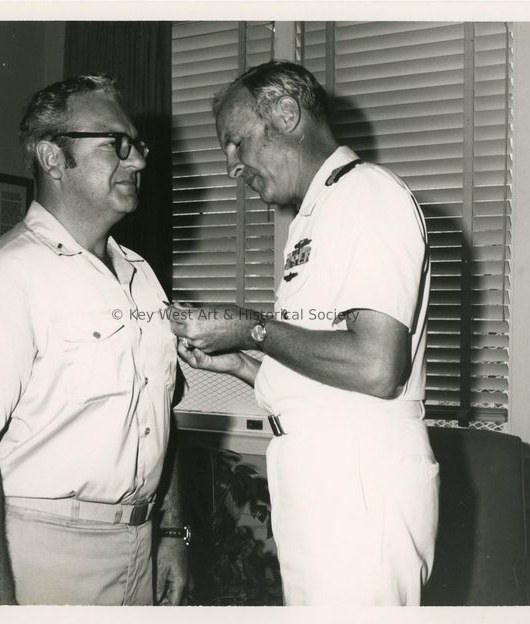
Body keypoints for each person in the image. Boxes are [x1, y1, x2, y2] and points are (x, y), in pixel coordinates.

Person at [170, 60, 438, 606]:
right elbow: (326, 369)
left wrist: (250, 328)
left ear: (287, 115)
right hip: (326, 472)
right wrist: (243, 361)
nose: (231, 166)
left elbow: (376, 366)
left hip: (357, 477)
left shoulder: (367, 197)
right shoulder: (318, 214)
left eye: (236, 143)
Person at [0, 74, 188, 606]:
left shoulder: (141, 276)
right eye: (116, 145)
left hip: (137, 545)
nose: (137, 161)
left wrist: (170, 533)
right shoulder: (8, 274)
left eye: (137, 146)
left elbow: (159, 413)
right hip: (36, 553)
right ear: (53, 157)